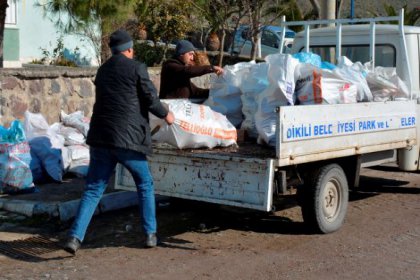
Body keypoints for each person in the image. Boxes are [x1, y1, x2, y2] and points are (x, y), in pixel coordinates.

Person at [63, 29, 175, 255]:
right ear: (130, 49)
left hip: (101, 138)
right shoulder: (137, 68)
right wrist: (166, 114)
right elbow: (150, 98)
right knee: (144, 184)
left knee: (94, 189)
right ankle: (150, 234)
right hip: (128, 140)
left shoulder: (103, 70)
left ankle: (74, 238)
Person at [159, 40, 224, 99]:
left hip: (180, 108)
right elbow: (187, 71)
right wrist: (211, 68)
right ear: (181, 53)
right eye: (190, 54)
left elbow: (194, 91)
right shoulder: (170, 65)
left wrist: (215, 92)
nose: (192, 58)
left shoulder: (182, 71)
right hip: (169, 108)